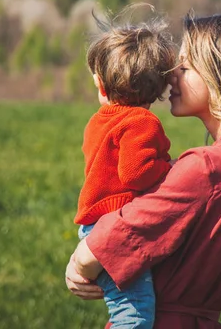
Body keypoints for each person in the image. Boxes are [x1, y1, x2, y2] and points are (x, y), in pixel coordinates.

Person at [66, 14, 221, 329]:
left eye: (184, 68)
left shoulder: (207, 169)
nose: (170, 76)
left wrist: (79, 262)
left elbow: (109, 241)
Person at [74, 19, 177, 328]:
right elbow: (134, 173)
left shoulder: (99, 120)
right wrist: (169, 170)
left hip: (95, 225)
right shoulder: (141, 122)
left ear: (101, 86)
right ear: (159, 89)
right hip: (112, 228)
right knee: (134, 313)